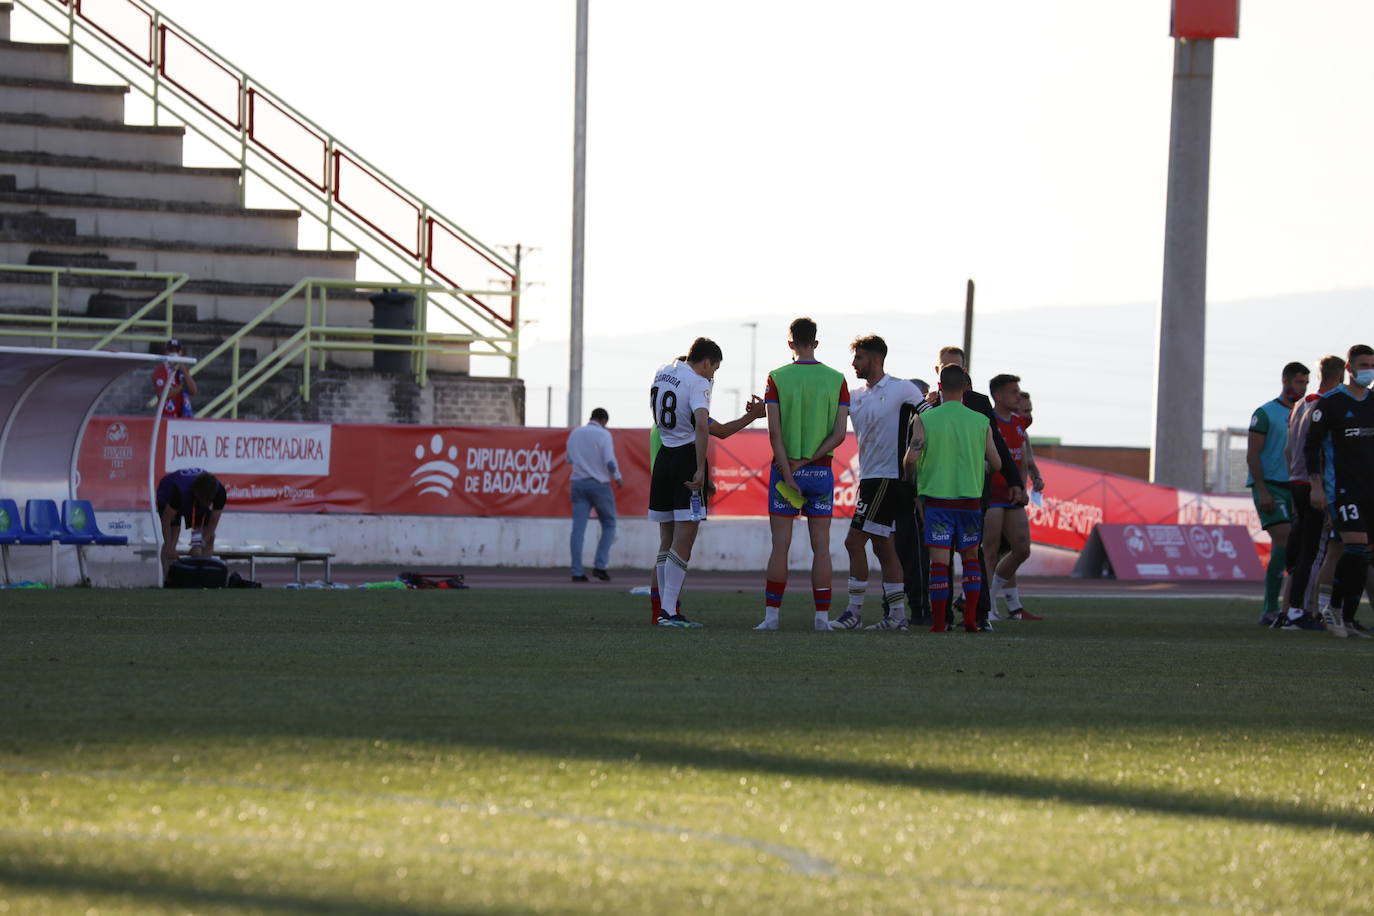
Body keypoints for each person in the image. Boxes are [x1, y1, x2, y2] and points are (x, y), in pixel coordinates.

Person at [919, 345, 1023, 631]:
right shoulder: (938, 409)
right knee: (958, 557)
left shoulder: (959, 406)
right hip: (954, 494)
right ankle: (956, 619)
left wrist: (1014, 481)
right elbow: (996, 458)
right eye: (945, 365)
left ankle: (966, 617)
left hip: (954, 494)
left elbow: (913, 457)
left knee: (957, 558)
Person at [757, 317, 850, 631]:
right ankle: (822, 618)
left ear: (789, 343)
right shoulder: (837, 379)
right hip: (820, 472)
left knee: (780, 545)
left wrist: (789, 468)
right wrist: (809, 459)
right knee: (821, 546)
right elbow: (839, 434)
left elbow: (774, 433)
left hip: (785, 474)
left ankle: (771, 618)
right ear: (816, 342)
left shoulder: (776, 378)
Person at [646, 394, 766, 624]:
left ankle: (659, 610)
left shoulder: (661, 421)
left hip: (662, 479)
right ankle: (669, 610)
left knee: (666, 545)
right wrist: (752, 416)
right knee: (681, 545)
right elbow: (720, 431)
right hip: (682, 479)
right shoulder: (688, 416)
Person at [832, 335, 923, 631]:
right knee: (884, 547)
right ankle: (897, 616)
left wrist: (916, 456)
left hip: (887, 479)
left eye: (858, 358)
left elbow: (929, 418)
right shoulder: (856, 395)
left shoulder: (902, 389)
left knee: (853, 541)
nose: (853, 364)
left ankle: (854, 613)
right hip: (869, 479)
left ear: (874, 359)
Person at [906, 364, 1001, 632]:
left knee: (939, 562)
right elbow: (996, 462)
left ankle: (938, 623)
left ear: (939, 388)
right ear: (965, 389)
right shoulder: (980, 421)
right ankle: (970, 620)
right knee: (971, 558)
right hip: (970, 500)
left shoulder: (925, 418)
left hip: (937, 501)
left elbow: (912, 458)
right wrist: (980, 470)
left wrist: (910, 477)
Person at [648, 338, 722, 628]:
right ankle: (669, 611)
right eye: (713, 369)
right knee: (684, 541)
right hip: (685, 457)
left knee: (666, 540)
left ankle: (662, 610)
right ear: (706, 362)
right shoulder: (698, 382)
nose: (712, 376)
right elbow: (702, 425)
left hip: (663, 456)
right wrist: (701, 469)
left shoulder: (663, 370)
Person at [1304, 345, 1374, 639]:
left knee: (1362, 554)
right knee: (1355, 549)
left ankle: (1347, 617)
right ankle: (1330, 608)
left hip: (1370, 489)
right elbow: (1310, 447)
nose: (1367, 370)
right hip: (1342, 489)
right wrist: (1317, 486)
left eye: (1371, 365)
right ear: (1349, 367)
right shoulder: (1330, 404)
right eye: (1363, 364)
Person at [1281, 355, 1343, 628]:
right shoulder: (1325, 405)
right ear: (1341, 376)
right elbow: (1316, 449)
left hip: (1296, 481)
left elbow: (1288, 450)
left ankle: (1295, 609)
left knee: (1304, 551)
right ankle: (1301, 610)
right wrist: (1321, 486)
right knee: (1315, 551)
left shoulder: (1298, 406)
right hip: (1313, 484)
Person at [1246, 361, 1309, 624]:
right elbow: (1253, 454)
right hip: (1271, 485)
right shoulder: (1265, 413)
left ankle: (1295, 607)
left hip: (1295, 485)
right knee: (1283, 539)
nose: (1303, 387)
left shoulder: (1305, 411)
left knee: (1296, 546)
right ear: (1285, 381)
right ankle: (1270, 608)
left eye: (1306, 383)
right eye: (1298, 382)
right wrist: (1262, 490)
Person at [984, 373, 1043, 621]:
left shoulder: (1019, 423)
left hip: (1013, 494)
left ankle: (990, 598)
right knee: (990, 551)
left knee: (1021, 549)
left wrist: (1021, 485)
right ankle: (985, 607)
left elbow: (1020, 457)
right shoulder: (987, 423)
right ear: (998, 396)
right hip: (993, 494)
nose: (1018, 396)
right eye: (1013, 392)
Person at [566, 408, 623, 582]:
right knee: (609, 524)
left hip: (578, 482)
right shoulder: (603, 435)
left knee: (578, 529)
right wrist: (618, 477)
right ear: (604, 420)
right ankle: (600, 566)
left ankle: (577, 572)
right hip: (599, 484)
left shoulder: (575, 433)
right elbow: (609, 461)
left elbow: (568, 459)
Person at [156, 467, 226, 579]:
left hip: (194, 494)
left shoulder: (220, 492)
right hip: (168, 493)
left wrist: (199, 544)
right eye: (205, 502)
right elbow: (166, 520)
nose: (207, 505)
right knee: (173, 537)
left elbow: (212, 523)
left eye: (209, 502)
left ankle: (203, 576)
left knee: (209, 537)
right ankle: (169, 580)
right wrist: (169, 547)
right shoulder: (179, 492)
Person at [152, 338, 197, 418]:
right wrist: (182, 387)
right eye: (171, 351)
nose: (174, 354)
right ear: (166, 352)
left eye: (177, 351)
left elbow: (193, 391)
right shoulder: (160, 370)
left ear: (181, 352)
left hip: (184, 415)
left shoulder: (183, 369)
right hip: (167, 415)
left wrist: (183, 369)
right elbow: (162, 395)